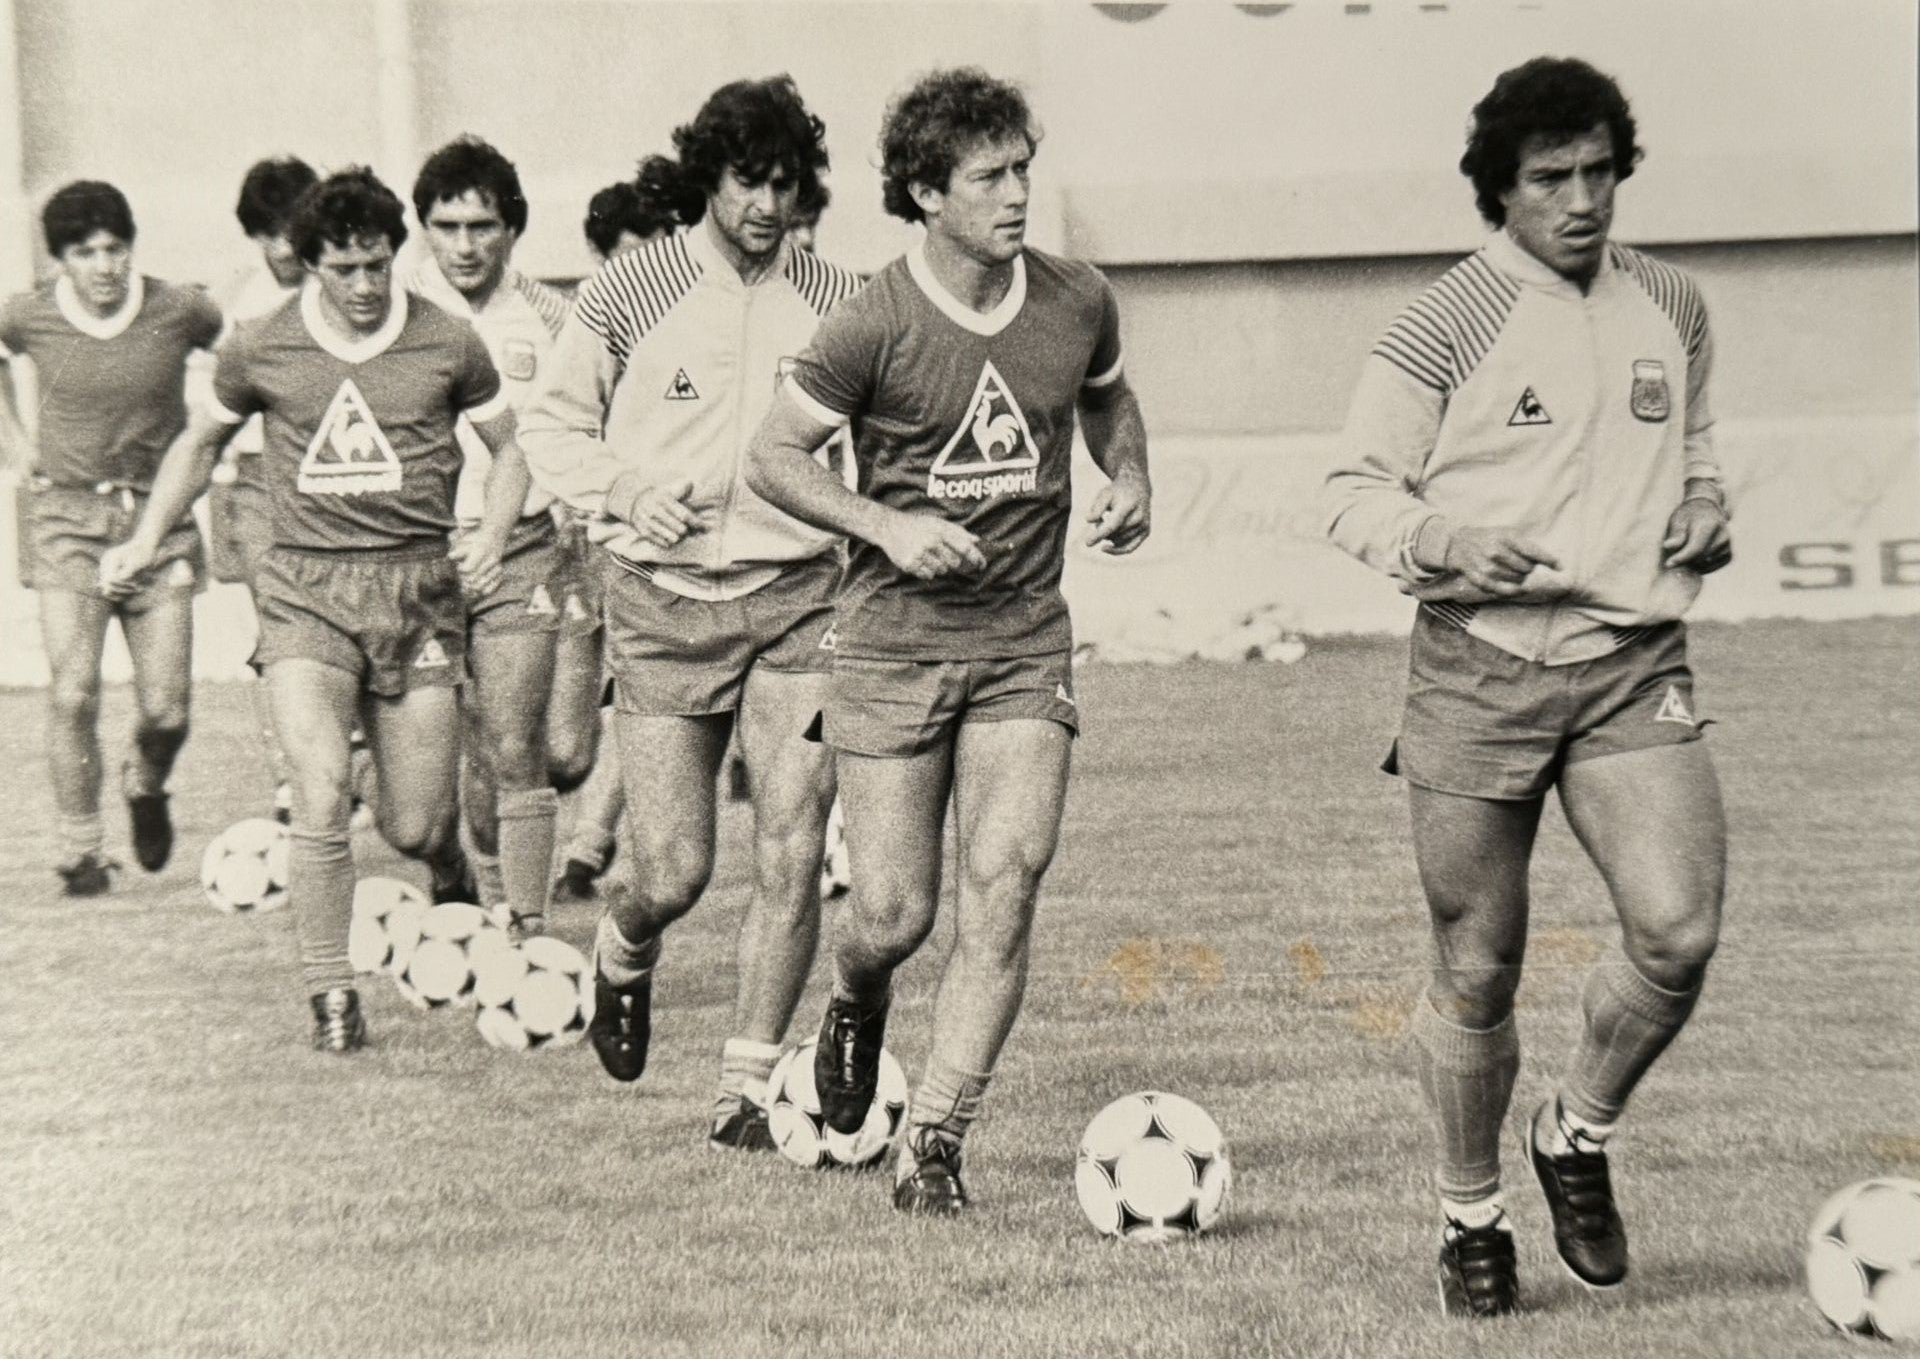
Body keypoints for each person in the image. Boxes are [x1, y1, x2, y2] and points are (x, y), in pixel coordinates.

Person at [1321, 57, 1730, 1317]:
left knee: (1678, 930)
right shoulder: (1443, 321)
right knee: (1480, 967)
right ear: (1500, 190)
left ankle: (1576, 1132)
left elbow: (1694, 447)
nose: (1582, 198)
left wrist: (1707, 504)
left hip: (1627, 666)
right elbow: (1350, 495)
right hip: (1475, 672)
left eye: (1601, 171)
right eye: (1551, 177)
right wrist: (1445, 542)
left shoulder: (1674, 301)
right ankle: (1469, 1214)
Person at [744, 68, 1152, 1214]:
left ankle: (936, 1142)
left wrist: (1129, 480)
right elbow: (771, 460)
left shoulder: (1077, 299)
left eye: (1024, 168)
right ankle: (856, 997)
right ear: (926, 193)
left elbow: (1112, 402)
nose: (1018, 194)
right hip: (887, 648)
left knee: (1007, 881)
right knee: (892, 913)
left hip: (1026, 641)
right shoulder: (873, 319)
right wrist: (885, 524)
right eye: (989, 177)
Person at [102, 168, 529, 1053]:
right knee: (322, 792)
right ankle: (330, 992)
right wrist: (148, 537)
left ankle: (445, 863)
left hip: (416, 591)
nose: (367, 287)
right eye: (346, 270)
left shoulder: (448, 341)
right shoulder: (263, 344)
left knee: (416, 820)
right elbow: (201, 441)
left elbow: (511, 447)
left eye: (378, 265)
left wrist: (490, 529)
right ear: (309, 265)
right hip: (305, 592)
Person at [519, 76, 864, 1151]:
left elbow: (877, 446)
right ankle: (624, 948)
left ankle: (745, 1092)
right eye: (746, 181)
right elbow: (551, 425)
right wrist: (626, 491)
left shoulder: (843, 297)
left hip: (799, 597)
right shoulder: (631, 287)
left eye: (784, 184)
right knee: (674, 868)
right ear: (706, 177)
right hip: (661, 602)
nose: (766, 204)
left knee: (793, 846)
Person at [0, 181, 225, 894]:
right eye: (85, 253)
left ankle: (146, 780)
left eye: (115, 249)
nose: (103, 266)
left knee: (167, 709)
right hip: (66, 518)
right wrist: (16, 442)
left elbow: (250, 356)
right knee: (73, 691)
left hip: (159, 521)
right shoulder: (30, 315)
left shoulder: (180, 308)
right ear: (60, 260)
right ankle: (81, 850)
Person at [409, 135, 572, 938]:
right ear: (424, 232)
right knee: (430, 780)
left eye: (482, 226)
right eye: (447, 227)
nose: (465, 245)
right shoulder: (397, 311)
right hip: (418, 555)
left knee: (517, 742)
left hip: (523, 549)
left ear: (512, 228)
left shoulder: (555, 318)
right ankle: (452, 871)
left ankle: (527, 932)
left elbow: (584, 428)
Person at [550, 173, 687, 906]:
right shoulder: (574, 329)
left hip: (660, 547)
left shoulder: (692, 327)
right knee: (563, 739)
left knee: (638, 696)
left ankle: (585, 848)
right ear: (600, 257)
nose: (651, 272)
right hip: (572, 547)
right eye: (634, 256)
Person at [209, 156, 319, 822]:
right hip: (254, 482)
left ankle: (342, 750)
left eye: (293, 228)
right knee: (276, 626)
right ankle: (290, 776)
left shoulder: (338, 287)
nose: (282, 245)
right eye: (269, 230)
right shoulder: (229, 300)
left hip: (327, 480)